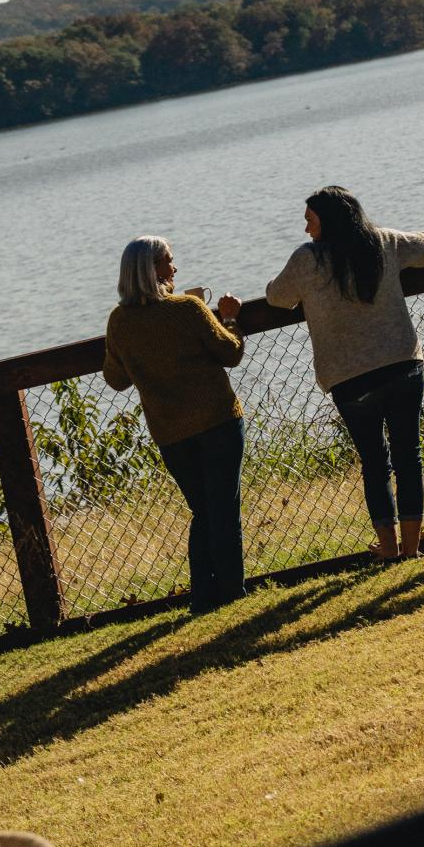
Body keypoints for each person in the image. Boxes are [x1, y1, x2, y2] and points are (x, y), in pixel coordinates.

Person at [266, 186, 424, 560]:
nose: (306, 229)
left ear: (327, 222)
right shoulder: (383, 242)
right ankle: (412, 549)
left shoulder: (307, 260)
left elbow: (276, 297)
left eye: (310, 221)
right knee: (409, 455)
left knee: (374, 463)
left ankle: (390, 550)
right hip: (402, 365)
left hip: (349, 379)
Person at [103, 236, 247, 616]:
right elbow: (230, 352)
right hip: (218, 420)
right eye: (168, 261)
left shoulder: (119, 323)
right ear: (152, 270)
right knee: (224, 510)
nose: (174, 269)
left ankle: (203, 596)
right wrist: (229, 317)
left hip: (171, 433)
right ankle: (232, 592)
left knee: (202, 512)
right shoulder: (188, 308)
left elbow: (116, 379)